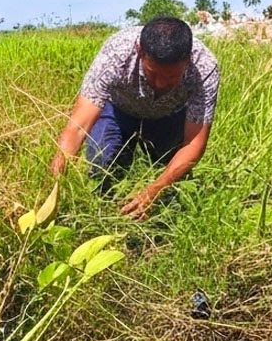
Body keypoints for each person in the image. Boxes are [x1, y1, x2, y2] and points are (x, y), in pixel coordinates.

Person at [50, 16, 220, 219]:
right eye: (152, 73)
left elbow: (194, 143)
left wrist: (156, 189)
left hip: (169, 115)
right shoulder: (116, 52)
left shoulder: (204, 67)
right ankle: (104, 212)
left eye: (172, 77)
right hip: (119, 109)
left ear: (188, 60)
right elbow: (77, 127)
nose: (160, 83)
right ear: (140, 51)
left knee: (172, 181)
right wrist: (56, 184)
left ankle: (163, 218)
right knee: (101, 163)